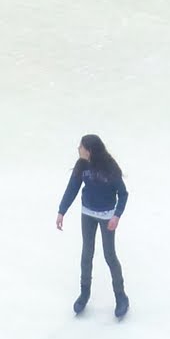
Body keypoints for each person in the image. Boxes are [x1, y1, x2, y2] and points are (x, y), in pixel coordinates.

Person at [55, 134, 129, 319]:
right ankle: (84, 292)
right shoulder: (82, 166)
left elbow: (123, 193)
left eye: (81, 146)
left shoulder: (110, 168)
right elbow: (72, 188)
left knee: (109, 255)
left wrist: (117, 215)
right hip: (87, 213)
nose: (78, 148)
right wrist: (61, 210)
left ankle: (121, 296)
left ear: (89, 151)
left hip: (106, 216)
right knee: (86, 253)